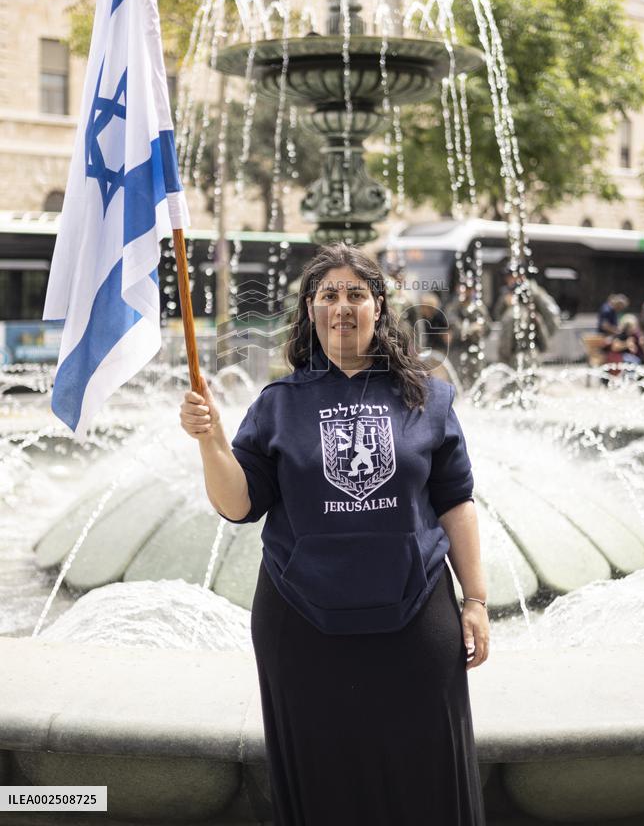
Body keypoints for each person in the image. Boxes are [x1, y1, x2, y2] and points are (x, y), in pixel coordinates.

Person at [180, 243, 489, 826]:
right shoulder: (277, 406)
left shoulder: (429, 398)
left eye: (355, 294)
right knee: (324, 787)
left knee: (426, 782)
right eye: (328, 295)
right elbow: (238, 505)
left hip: (416, 620)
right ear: (310, 310)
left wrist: (475, 600)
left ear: (379, 306)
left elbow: (456, 501)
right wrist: (212, 442)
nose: (342, 306)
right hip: (302, 626)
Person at [447, 282, 492, 388]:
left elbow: (488, 328)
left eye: (469, 289)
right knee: (458, 384)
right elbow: (456, 329)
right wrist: (472, 328)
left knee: (478, 384)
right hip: (458, 351)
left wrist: (481, 328)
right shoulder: (453, 308)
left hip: (475, 351)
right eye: (465, 289)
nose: (467, 292)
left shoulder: (479, 308)